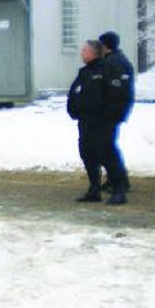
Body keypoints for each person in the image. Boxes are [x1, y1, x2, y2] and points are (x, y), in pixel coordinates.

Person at [67, 39, 128, 205]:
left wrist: (108, 115)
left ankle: (119, 191)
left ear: (93, 52)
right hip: (85, 122)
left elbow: (117, 95)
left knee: (107, 155)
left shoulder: (107, 69)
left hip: (102, 123)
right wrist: (73, 110)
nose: (81, 53)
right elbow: (76, 92)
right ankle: (94, 190)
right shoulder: (85, 72)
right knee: (88, 154)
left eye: (84, 50)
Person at [98, 31, 135, 197]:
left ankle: (120, 180)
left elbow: (117, 90)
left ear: (105, 45)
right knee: (107, 145)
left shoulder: (115, 63)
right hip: (115, 110)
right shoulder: (116, 61)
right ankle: (115, 178)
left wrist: (107, 111)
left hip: (112, 112)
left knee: (107, 146)